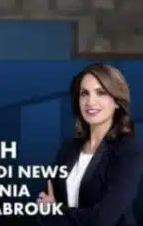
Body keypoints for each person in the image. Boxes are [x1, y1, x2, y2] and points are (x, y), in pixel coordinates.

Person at [37, 63, 143, 226]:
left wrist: (56, 210)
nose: (90, 101)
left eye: (101, 93)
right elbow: (42, 210)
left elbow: (102, 219)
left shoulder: (128, 150)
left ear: (116, 101)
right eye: (84, 93)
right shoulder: (68, 149)